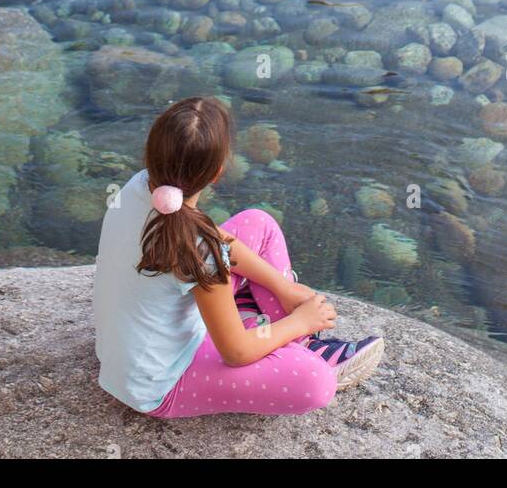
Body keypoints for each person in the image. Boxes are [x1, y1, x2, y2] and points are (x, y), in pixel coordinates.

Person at [94, 96, 384, 417]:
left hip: (122, 352)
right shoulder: (198, 251)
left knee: (259, 223)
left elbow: (217, 239)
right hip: (157, 385)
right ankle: (292, 341)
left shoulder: (139, 187)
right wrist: (299, 321)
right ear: (217, 173)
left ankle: (268, 330)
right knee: (315, 382)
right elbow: (235, 352)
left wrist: (281, 287)